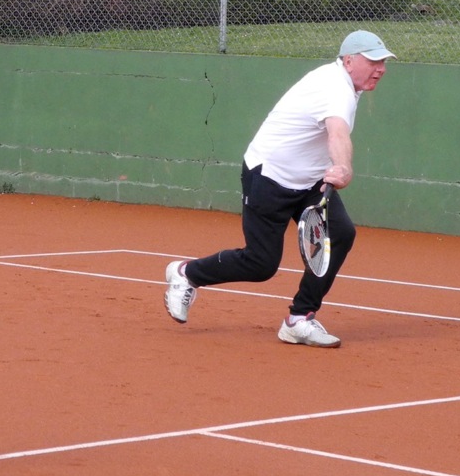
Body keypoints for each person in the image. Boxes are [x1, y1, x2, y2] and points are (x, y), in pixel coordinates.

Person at [163, 30, 394, 349]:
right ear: (349, 60)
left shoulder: (348, 86)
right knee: (261, 264)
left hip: (310, 181)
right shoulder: (334, 87)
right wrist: (343, 168)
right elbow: (337, 134)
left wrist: (331, 170)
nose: (380, 68)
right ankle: (187, 273)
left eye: (383, 62)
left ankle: (299, 319)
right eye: (373, 61)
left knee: (340, 233)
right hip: (269, 176)